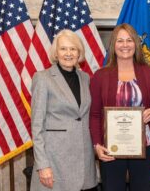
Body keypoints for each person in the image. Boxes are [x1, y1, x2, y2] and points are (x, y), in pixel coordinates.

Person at [89, 23, 150, 191]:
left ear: (135, 43)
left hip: (145, 145)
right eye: (120, 40)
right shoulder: (100, 76)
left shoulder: (149, 73)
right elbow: (94, 115)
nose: (125, 45)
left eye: (129, 40)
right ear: (113, 45)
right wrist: (97, 145)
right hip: (111, 148)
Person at [30, 29, 97, 191]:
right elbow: (37, 126)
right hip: (54, 162)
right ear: (56, 52)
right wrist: (42, 165)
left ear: (79, 53)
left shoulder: (86, 78)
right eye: (63, 49)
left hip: (84, 162)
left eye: (73, 49)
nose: (68, 53)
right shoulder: (43, 78)